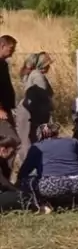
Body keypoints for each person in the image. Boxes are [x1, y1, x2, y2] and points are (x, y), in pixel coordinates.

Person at [18, 122, 78, 211]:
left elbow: (26, 169)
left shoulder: (37, 147)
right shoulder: (71, 141)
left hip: (53, 186)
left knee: (27, 181)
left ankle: (40, 206)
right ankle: (76, 202)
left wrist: (18, 180)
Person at [14, 52, 54, 161]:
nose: (49, 67)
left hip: (28, 111)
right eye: (47, 64)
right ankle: (28, 170)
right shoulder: (38, 76)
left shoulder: (32, 74)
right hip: (31, 112)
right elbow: (43, 96)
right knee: (28, 141)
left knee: (28, 139)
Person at [0, 35, 18, 185]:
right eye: (11, 49)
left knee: (9, 144)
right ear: (2, 46)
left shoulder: (3, 64)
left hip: (6, 109)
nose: (13, 52)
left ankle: (5, 181)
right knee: (13, 141)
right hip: (1, 112)